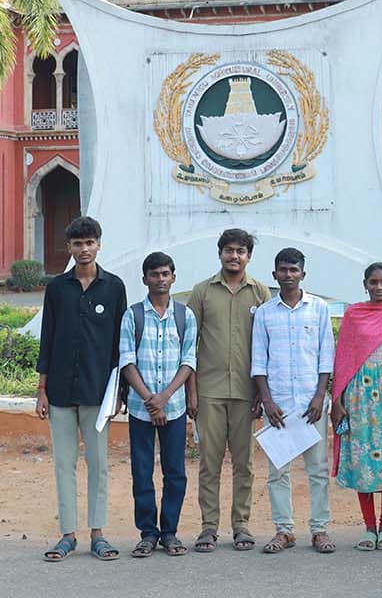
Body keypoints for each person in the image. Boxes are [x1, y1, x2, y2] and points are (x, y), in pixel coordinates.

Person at [35, 215, 128, 562]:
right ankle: (68, 535)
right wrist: (42, 389)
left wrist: (119, 393)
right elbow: (47, 339)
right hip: (60, 392)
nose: (84, 249)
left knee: (98, 463)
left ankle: (98, 534)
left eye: (90, 243)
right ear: (69, 248)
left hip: (98, 393)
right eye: (78, 244)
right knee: (64, 464)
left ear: (99, 245)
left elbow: (121, 346)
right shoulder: (57, 288)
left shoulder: (114, 287)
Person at [185, 228, 271, 554]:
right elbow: (188, 345)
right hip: (209, 390)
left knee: (244, 464)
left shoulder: (260, 293)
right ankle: (209, 527)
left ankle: (241, 525)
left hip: (247, 393)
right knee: (209, 462)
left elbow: (267, 345)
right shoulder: (202, 292)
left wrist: (262, 393)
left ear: (249, 256)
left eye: (240, 251)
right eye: (229, 250)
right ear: (220, 253)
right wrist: (192, 392)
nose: (234, 256)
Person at [251, 247, 335, 555]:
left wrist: (319, 396)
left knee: (318, 470)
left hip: (312, 404)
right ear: (274, 274)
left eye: (293, 270)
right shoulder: (265, 313)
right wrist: (267, 400)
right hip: (279, 405)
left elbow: (326, 356)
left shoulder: (319, 309)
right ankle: (284, 530)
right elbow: (259, 359)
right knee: (278, 472)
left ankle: (319, 529)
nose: (288, 275)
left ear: (303, 274)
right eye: (283, 270)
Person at [119, 251, 197, 558]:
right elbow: (127, 361)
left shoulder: (185, 316)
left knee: (175, 471)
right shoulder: (133, 315)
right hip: (141, 408)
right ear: (145, 279)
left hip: (174, 406)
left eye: (165, 274)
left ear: (174, 277)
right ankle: (148, 533)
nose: (160, 279)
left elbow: (189, 360)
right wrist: (150, 400)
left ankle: (170, 532)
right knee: (142, 471)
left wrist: (164, 398)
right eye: (154, 274)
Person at [331, 262, 382, 552]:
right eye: (373, 282)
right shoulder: (353, 314)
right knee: (362, 461)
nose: (379, 287)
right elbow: (343, 357)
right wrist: (337, 400)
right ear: (365, 284)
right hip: (359, 397)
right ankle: (368, 527)